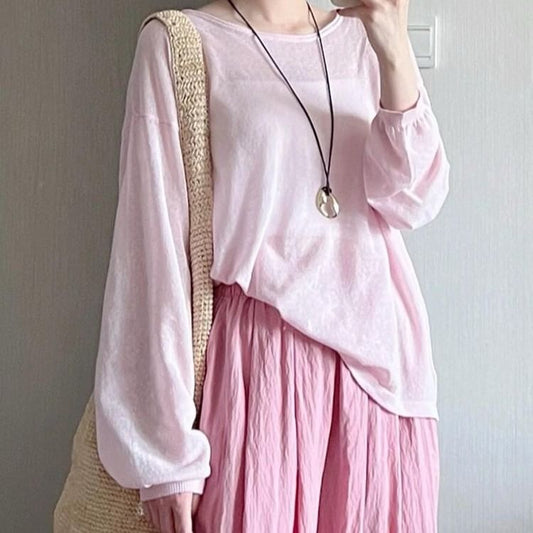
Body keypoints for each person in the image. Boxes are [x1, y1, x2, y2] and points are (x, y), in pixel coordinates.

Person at [93, 0, 449, 531]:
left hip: (383, 372)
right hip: (259, 368)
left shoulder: (362, 39)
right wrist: (163, 455)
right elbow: (151, 251)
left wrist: (394, 46)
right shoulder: (179, 43)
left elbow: (413, 201)